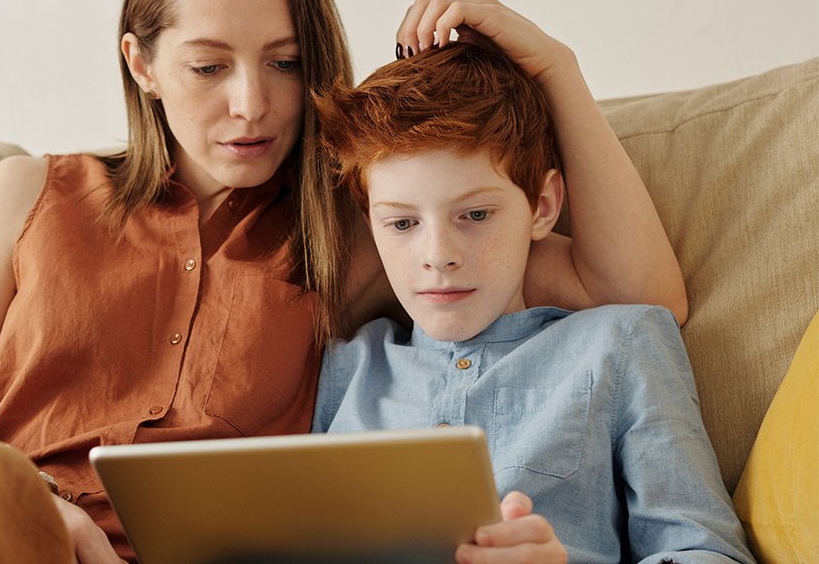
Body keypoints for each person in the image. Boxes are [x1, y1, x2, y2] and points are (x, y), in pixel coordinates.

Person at [0, 0, 687, 563]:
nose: (251, 105)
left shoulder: (362, 229)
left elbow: (631, 293)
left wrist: (554, 66)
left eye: (282, 63)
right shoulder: (29, 192)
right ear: (142, 65)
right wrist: (43, 511)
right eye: (207, 65)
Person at [311, 40, 754, 563]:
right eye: (403, 223)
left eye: (475, 215)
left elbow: (707, 551)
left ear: (542, 207)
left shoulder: (620, 344)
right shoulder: (349, 366)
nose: (438, 256)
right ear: (372, 226)